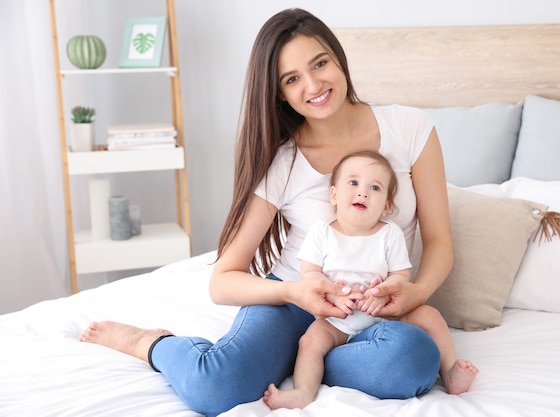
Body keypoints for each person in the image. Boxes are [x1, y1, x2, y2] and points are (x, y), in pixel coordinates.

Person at [80, 8, 458, 416]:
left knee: (413, 359)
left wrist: (415, 294)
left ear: (338, 58)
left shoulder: (411, 129)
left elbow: (438, 240)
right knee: (216, 386)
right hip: (294, 302)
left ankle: (306, 362)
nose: (314, 85)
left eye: (320, 63)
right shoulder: (283, 161)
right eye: (292, 79)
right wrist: (293, 292)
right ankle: (151, 343)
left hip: (373, 313)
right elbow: (222, 282)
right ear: (279, 93)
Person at [263, 151, 477, 410]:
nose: (363, 192)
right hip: (336, 318)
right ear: (333, 195)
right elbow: (310, 275)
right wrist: (334, 295)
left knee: (430, 315)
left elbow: (399, 276)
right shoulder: (321, 231)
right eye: (353, 183)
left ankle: (450, 371)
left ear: (386, 205)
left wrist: (383, 295)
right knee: (310, 342)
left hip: (383, 314)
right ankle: (304, 391)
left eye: (374, 188)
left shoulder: (389, 234)